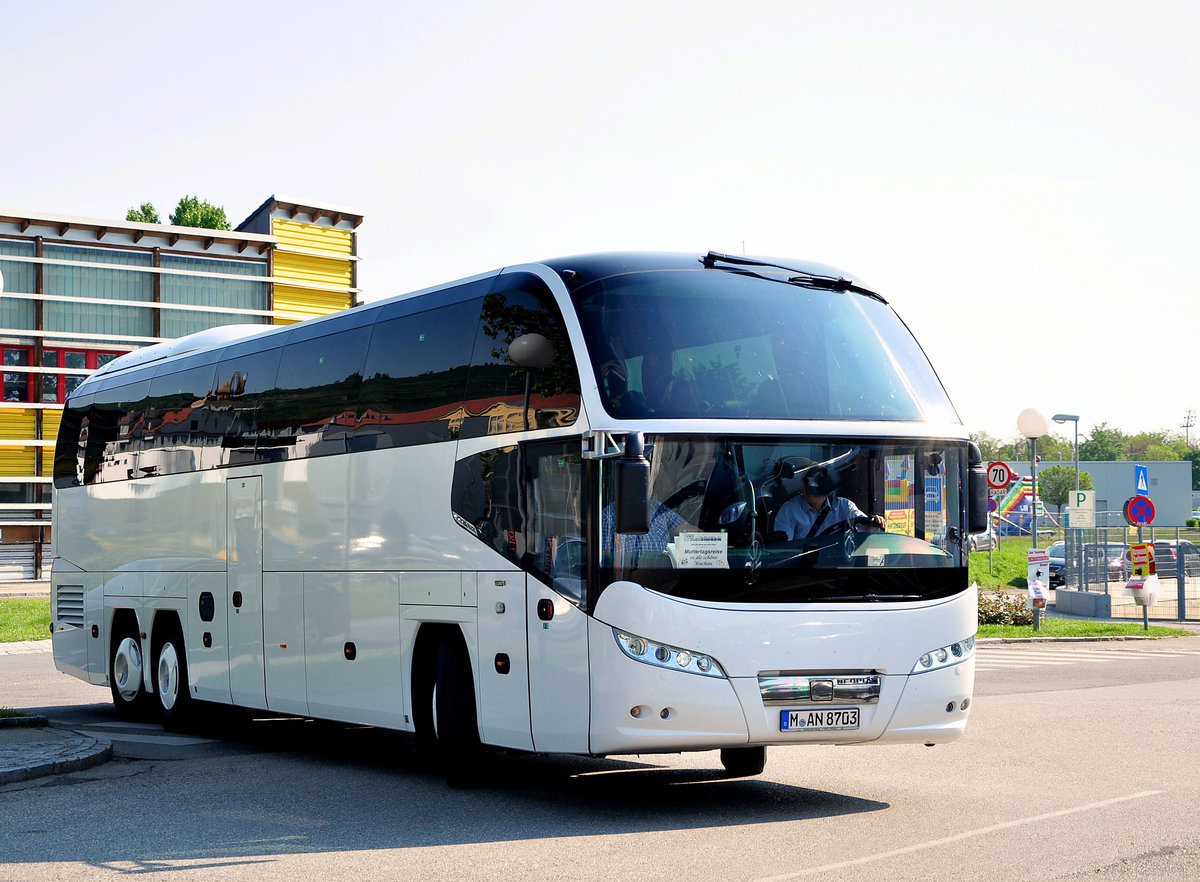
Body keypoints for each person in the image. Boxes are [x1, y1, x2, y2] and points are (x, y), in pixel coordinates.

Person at [774, 484, 881, 540]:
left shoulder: (844, 506)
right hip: (803, 571)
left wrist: (875, 523)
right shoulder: (789, 509)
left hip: (839, 567)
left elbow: (865, 527)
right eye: (811, 484)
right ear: (803, 490)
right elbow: (783, 549)